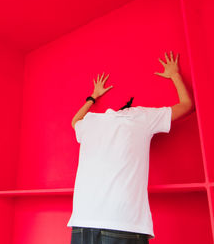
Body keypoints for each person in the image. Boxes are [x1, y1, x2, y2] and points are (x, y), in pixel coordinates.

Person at [68, 52, 194, 244]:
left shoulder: (92, 122)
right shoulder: (139, 116)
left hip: (82, 221)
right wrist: (174, 74)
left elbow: (74, 121)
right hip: (123, 222)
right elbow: (186, 106)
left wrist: (93, 97)